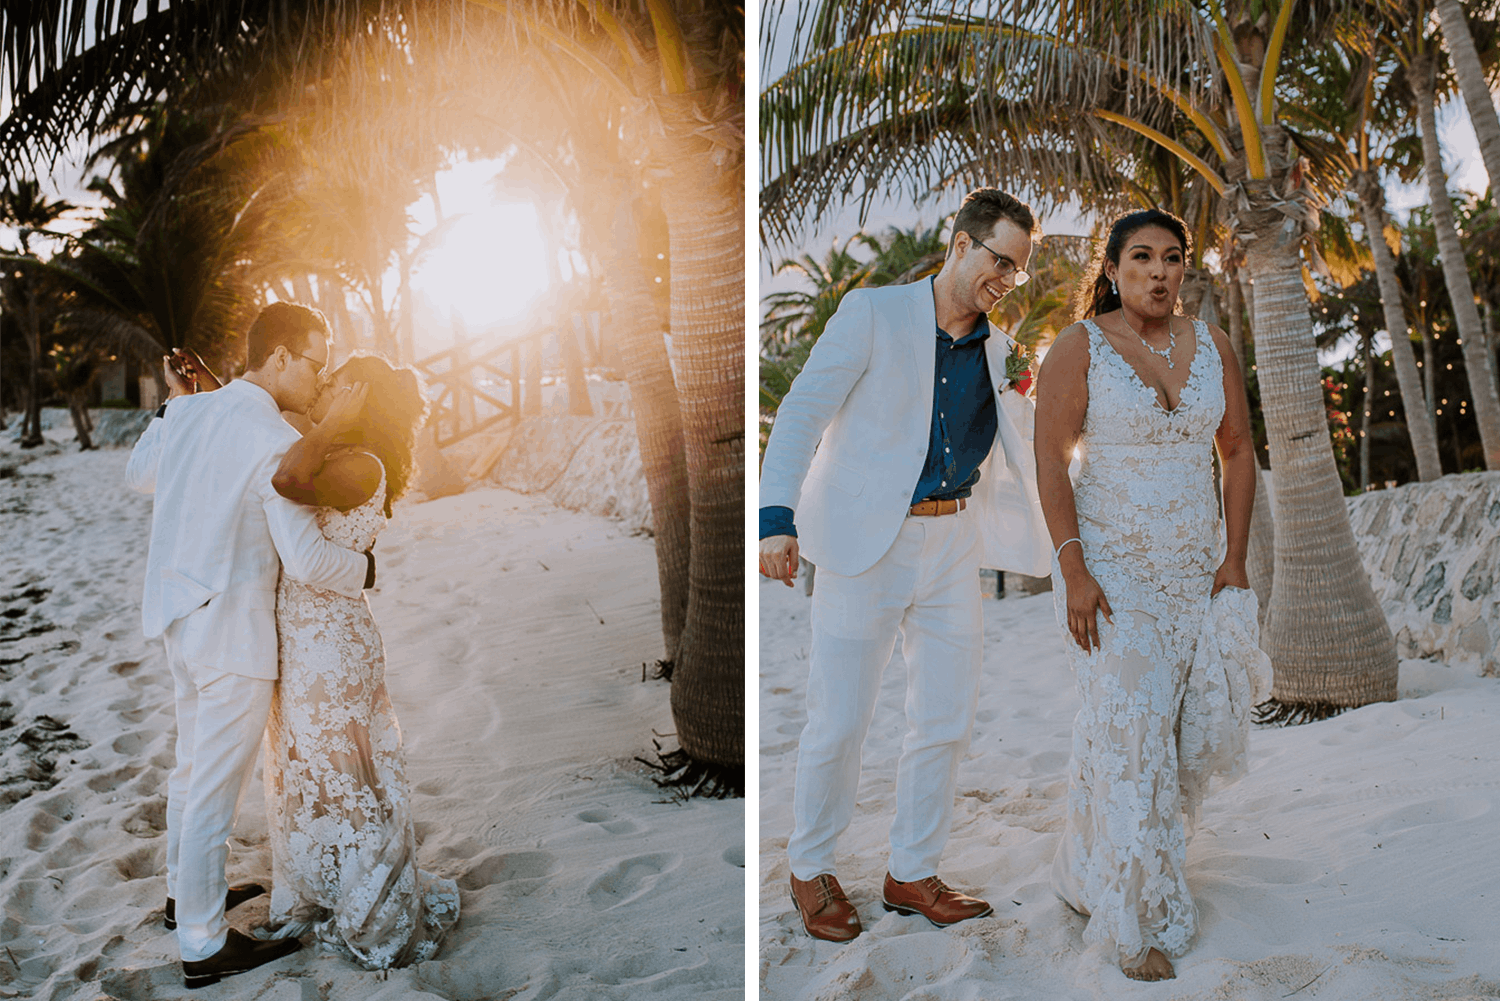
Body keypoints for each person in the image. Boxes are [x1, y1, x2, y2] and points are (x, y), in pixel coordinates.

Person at [758, 188, 1053, 942]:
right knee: (839, 718)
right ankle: (810, 866)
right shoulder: (872, 313)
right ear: (961, 244)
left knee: (945, 717)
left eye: (1017, 270)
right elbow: (802, 410)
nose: (1007, 280)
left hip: (954, 544)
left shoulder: (1000, 350)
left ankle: (912, 871)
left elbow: (1023, 448)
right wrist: (775, 518)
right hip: (865, 543)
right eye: (1000, 261)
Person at [1032, 209, 1257, 981]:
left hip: (1193, 569)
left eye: (1171, 257)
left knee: (1166, 731)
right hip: (1111, 570)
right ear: (1113, 267)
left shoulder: (1213, 344)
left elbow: (1237, 451)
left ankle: (1083, 865)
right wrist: (1075, 570)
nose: (1158, 272)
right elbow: (1052, 461)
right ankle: (1132, 920)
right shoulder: (1079, 347)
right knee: (1131, 726)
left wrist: (1234, 557)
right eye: (1140, 257)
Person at [126, 302, 376, 989]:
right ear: (281, 356)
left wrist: (176, 402)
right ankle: (203, 944)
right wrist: (366, 570)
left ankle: (182, 896)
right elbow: (305, 557)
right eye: (317, 363)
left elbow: (140, 474)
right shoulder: (273, 436)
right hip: (231, 631)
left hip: (178, 619)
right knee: (214, 789)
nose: (320, 379)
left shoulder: (192, 409)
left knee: (190, 769)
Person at [259, 352, 460, 968]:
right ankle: (328, 886)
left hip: (332, 644)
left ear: (357, 397)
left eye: (335, 382)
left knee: (347, 777)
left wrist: (326, 423)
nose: (321, 386)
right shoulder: (339, 451)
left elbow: (286, 481)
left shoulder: (360, 464)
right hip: (306, 636)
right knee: (310, 770)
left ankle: (378, 919)